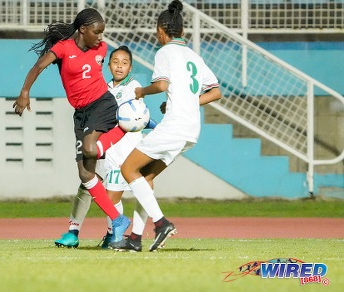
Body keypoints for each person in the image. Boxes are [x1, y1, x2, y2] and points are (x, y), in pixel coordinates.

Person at [110, 0, 222, 252]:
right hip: (191, 130)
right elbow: (215, 92)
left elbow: (160, 86)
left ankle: (161, 224)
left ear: (161, 30)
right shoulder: (194, 56)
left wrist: (140, 91)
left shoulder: (164, 53)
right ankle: (135, 239)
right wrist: (187, 101)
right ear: (182, 31)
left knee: (128, 169)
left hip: (174, 127)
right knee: (145, 178)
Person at [13, 8, 130, 243]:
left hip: (102, 105)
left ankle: (128, 126)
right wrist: (25, 91)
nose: (101, 37)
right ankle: (116, 221)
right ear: (83, 30)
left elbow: (92, 72)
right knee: (86, 174)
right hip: (80, 115)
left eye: (102, 32)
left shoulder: (101, 49)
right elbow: (38, 67)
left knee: (89, 148)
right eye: (97, 32)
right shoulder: (63, 49)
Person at [54, 46, 149, 250]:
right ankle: (72, 231)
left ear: (130, 67)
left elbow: (134, 118)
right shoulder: (102, 89)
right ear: (108, 65)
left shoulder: (134, 87)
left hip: (123, 148)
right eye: (115, 62)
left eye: (124, 63)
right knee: (86, 183)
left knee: (112, 193)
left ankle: (113, 235)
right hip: (102, 144)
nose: (119, 66)